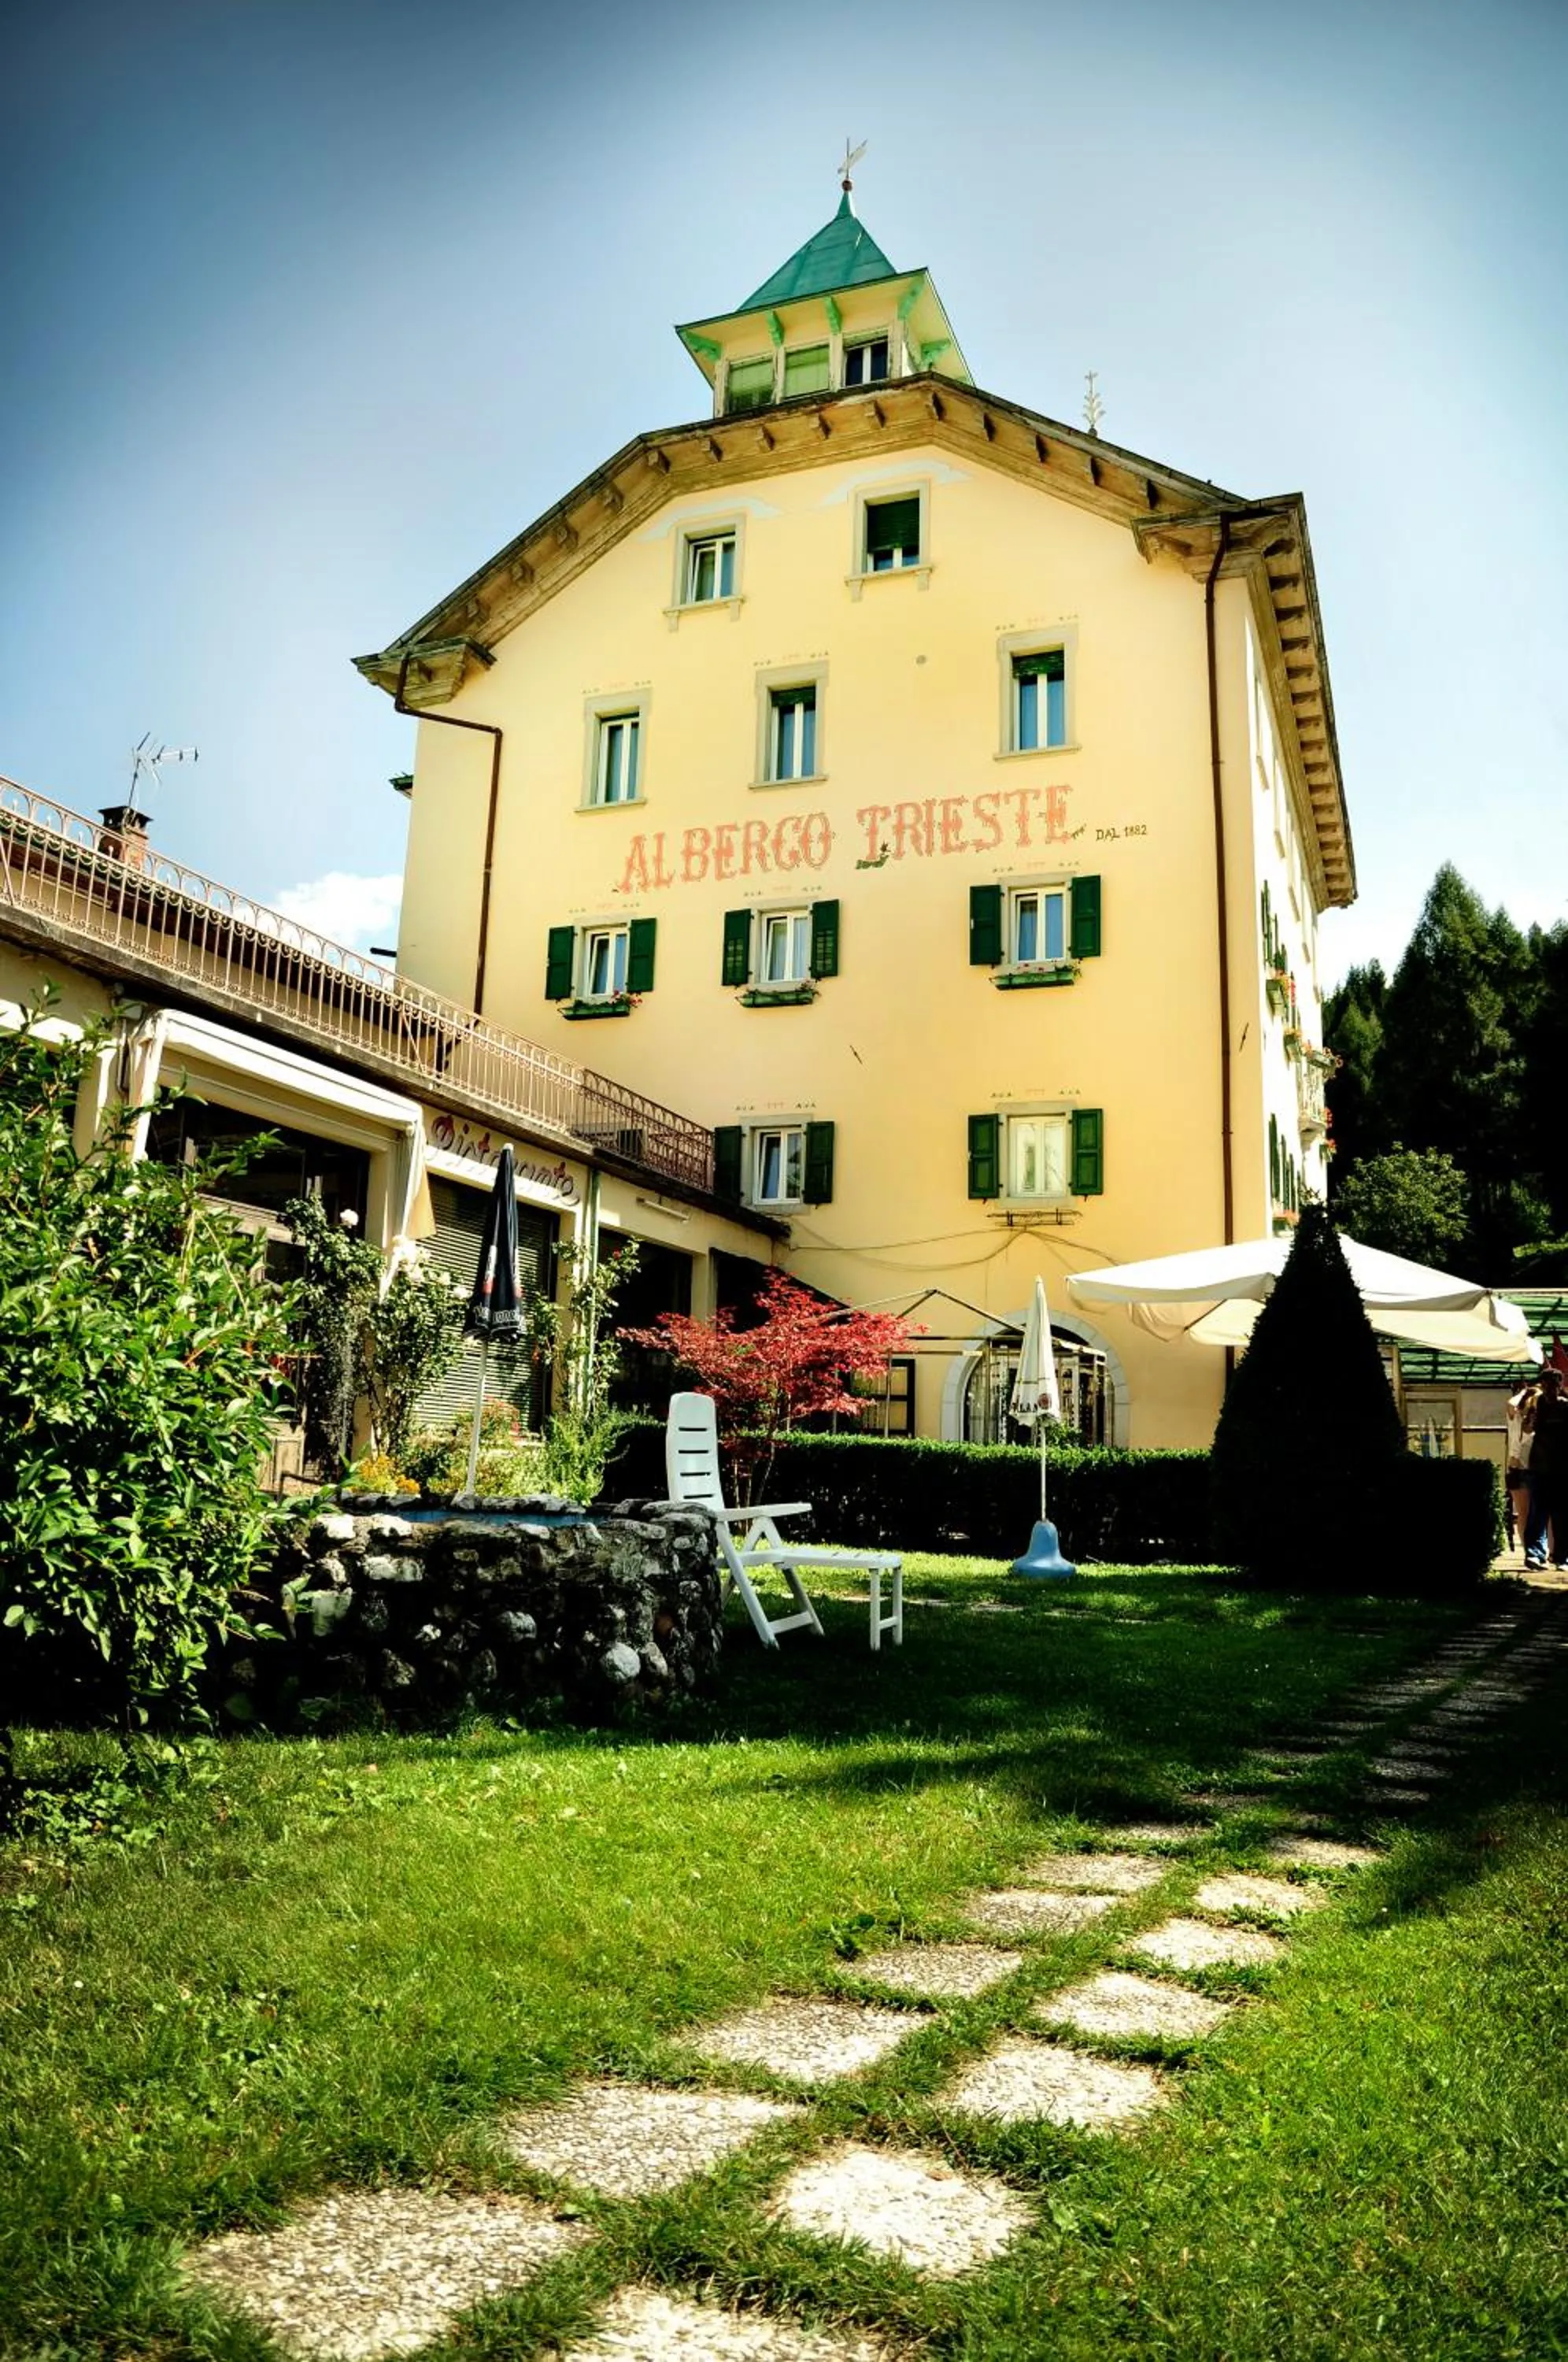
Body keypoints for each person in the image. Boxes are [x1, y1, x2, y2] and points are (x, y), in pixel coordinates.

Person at [1523, 1366, 1568, 1571]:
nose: (1551, 1389)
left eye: (1555, 1385)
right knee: (1538, 1514)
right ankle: (1535, 1554)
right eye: (1548, 1385)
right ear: (1543, 1385)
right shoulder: (1536, 1405)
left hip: (1561, 1470)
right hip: (1540, 1468)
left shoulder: (1565, 1407)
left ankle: (1561, 1557)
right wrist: (1531, 1416)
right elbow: (1527, 1428)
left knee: (1561, 1516)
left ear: (1560, 1386)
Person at [1506, 1378, 1538, 1557]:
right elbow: (1511, 1404)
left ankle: (1542, 1549)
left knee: (1538, 1512)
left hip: (1534, 1467)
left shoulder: (1538, 1419)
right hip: (1518, 1468)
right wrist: (1524, 1391)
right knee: (1524, 1512)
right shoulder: (1515, 1417)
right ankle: (1528, 1550)